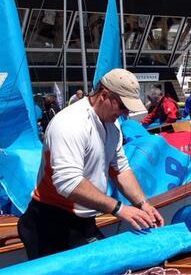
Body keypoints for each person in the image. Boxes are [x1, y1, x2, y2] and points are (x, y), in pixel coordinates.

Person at [17, 69, 164, 260]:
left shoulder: (113, 125)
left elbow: (119, 168)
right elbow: (68, 182)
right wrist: (119, 209)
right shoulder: (70, 124)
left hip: (83, 221)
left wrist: (143, 203)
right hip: (50, 223)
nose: (125, 113)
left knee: (108, 270)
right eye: (122, 106)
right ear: (104, 95)